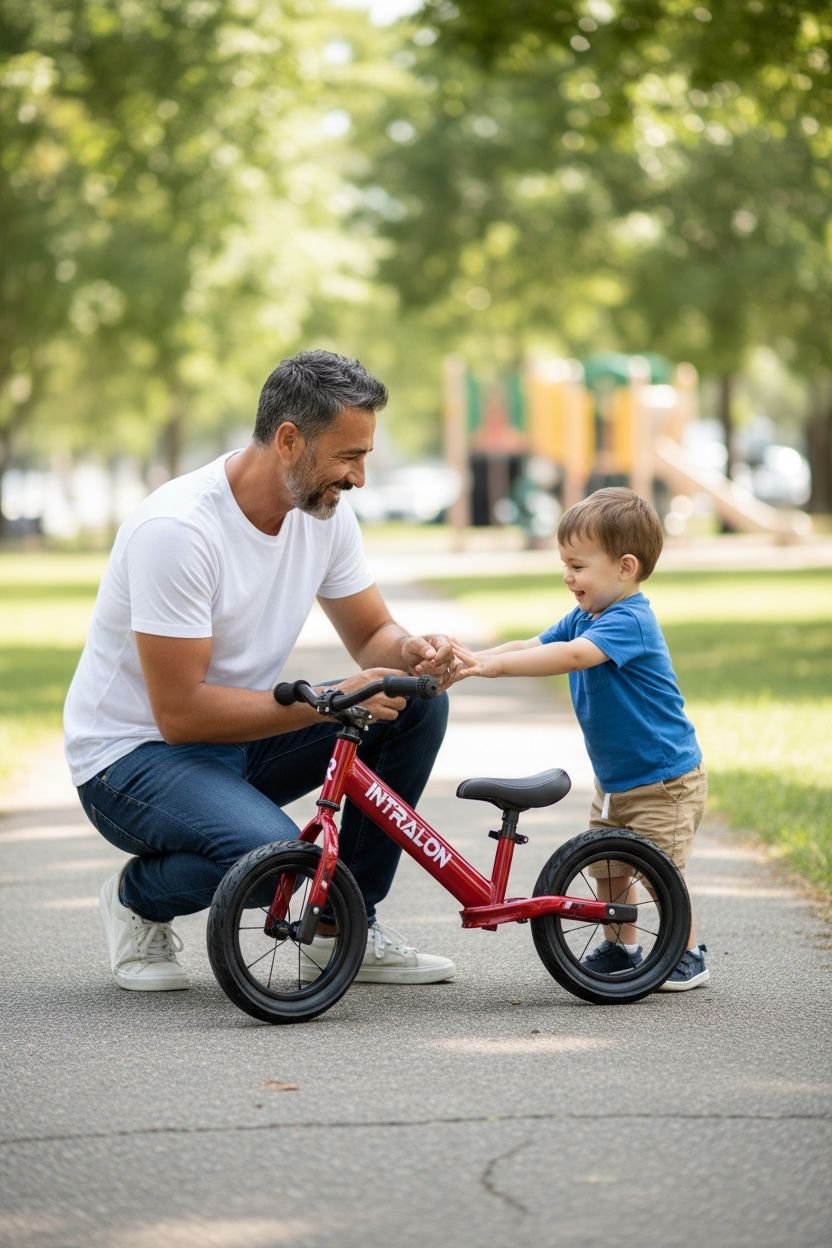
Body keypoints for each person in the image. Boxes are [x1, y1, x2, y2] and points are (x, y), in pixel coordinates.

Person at [64, 349, 457, 992]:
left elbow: (371, 635)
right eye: (349, 456)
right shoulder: (178, 530)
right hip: (132, 757)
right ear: (289, 440)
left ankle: (341, 926)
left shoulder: (325, 514)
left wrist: (410, 653)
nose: (359, 477)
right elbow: (181, 713)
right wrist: (330, 699)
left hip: (237, 738)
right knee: (273, 866)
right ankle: (138, 898)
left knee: (413, 702)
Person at [451, 487, 709, 991]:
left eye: (578, 566)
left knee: (661, 871)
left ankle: (687, 953)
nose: (567, 576)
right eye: (564, 565)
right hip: (616, 781)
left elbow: (572, 656)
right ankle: (621, 947)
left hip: (664, 781)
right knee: (609, 870)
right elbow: (532, 644)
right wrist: (477, 659)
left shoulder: (630, 620)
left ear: (625, 568)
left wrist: (496, 669)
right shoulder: (584, 617)